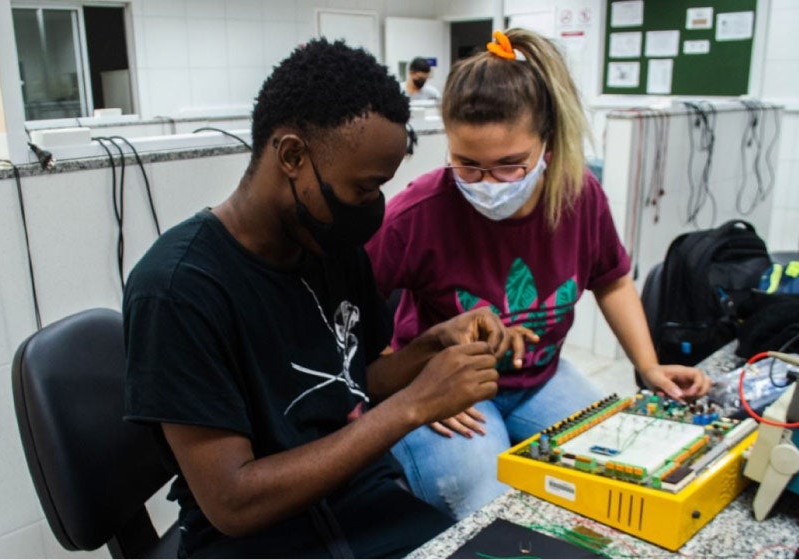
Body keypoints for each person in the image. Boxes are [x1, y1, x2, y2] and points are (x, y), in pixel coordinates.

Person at [123, 38, 530, 558]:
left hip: (358, 503)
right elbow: (233, 502)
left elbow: (353, 383)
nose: (373, 207)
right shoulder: (178, 290)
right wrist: (414, 405)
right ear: (292, 155)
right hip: (261, 540)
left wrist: (432, 348)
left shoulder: (328, 244)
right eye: (363, 189)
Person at [365, 29, 713, 521]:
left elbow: (611, 280)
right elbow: (347, 310)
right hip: (448, 388)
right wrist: (415, 388)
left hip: (538, 379)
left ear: (546, 146)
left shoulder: (579, 196)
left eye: (510, 166)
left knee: (622, 466)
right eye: (467, 165)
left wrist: (649, 366)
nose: (487, 184)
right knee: (486, 499)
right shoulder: (417, 213)